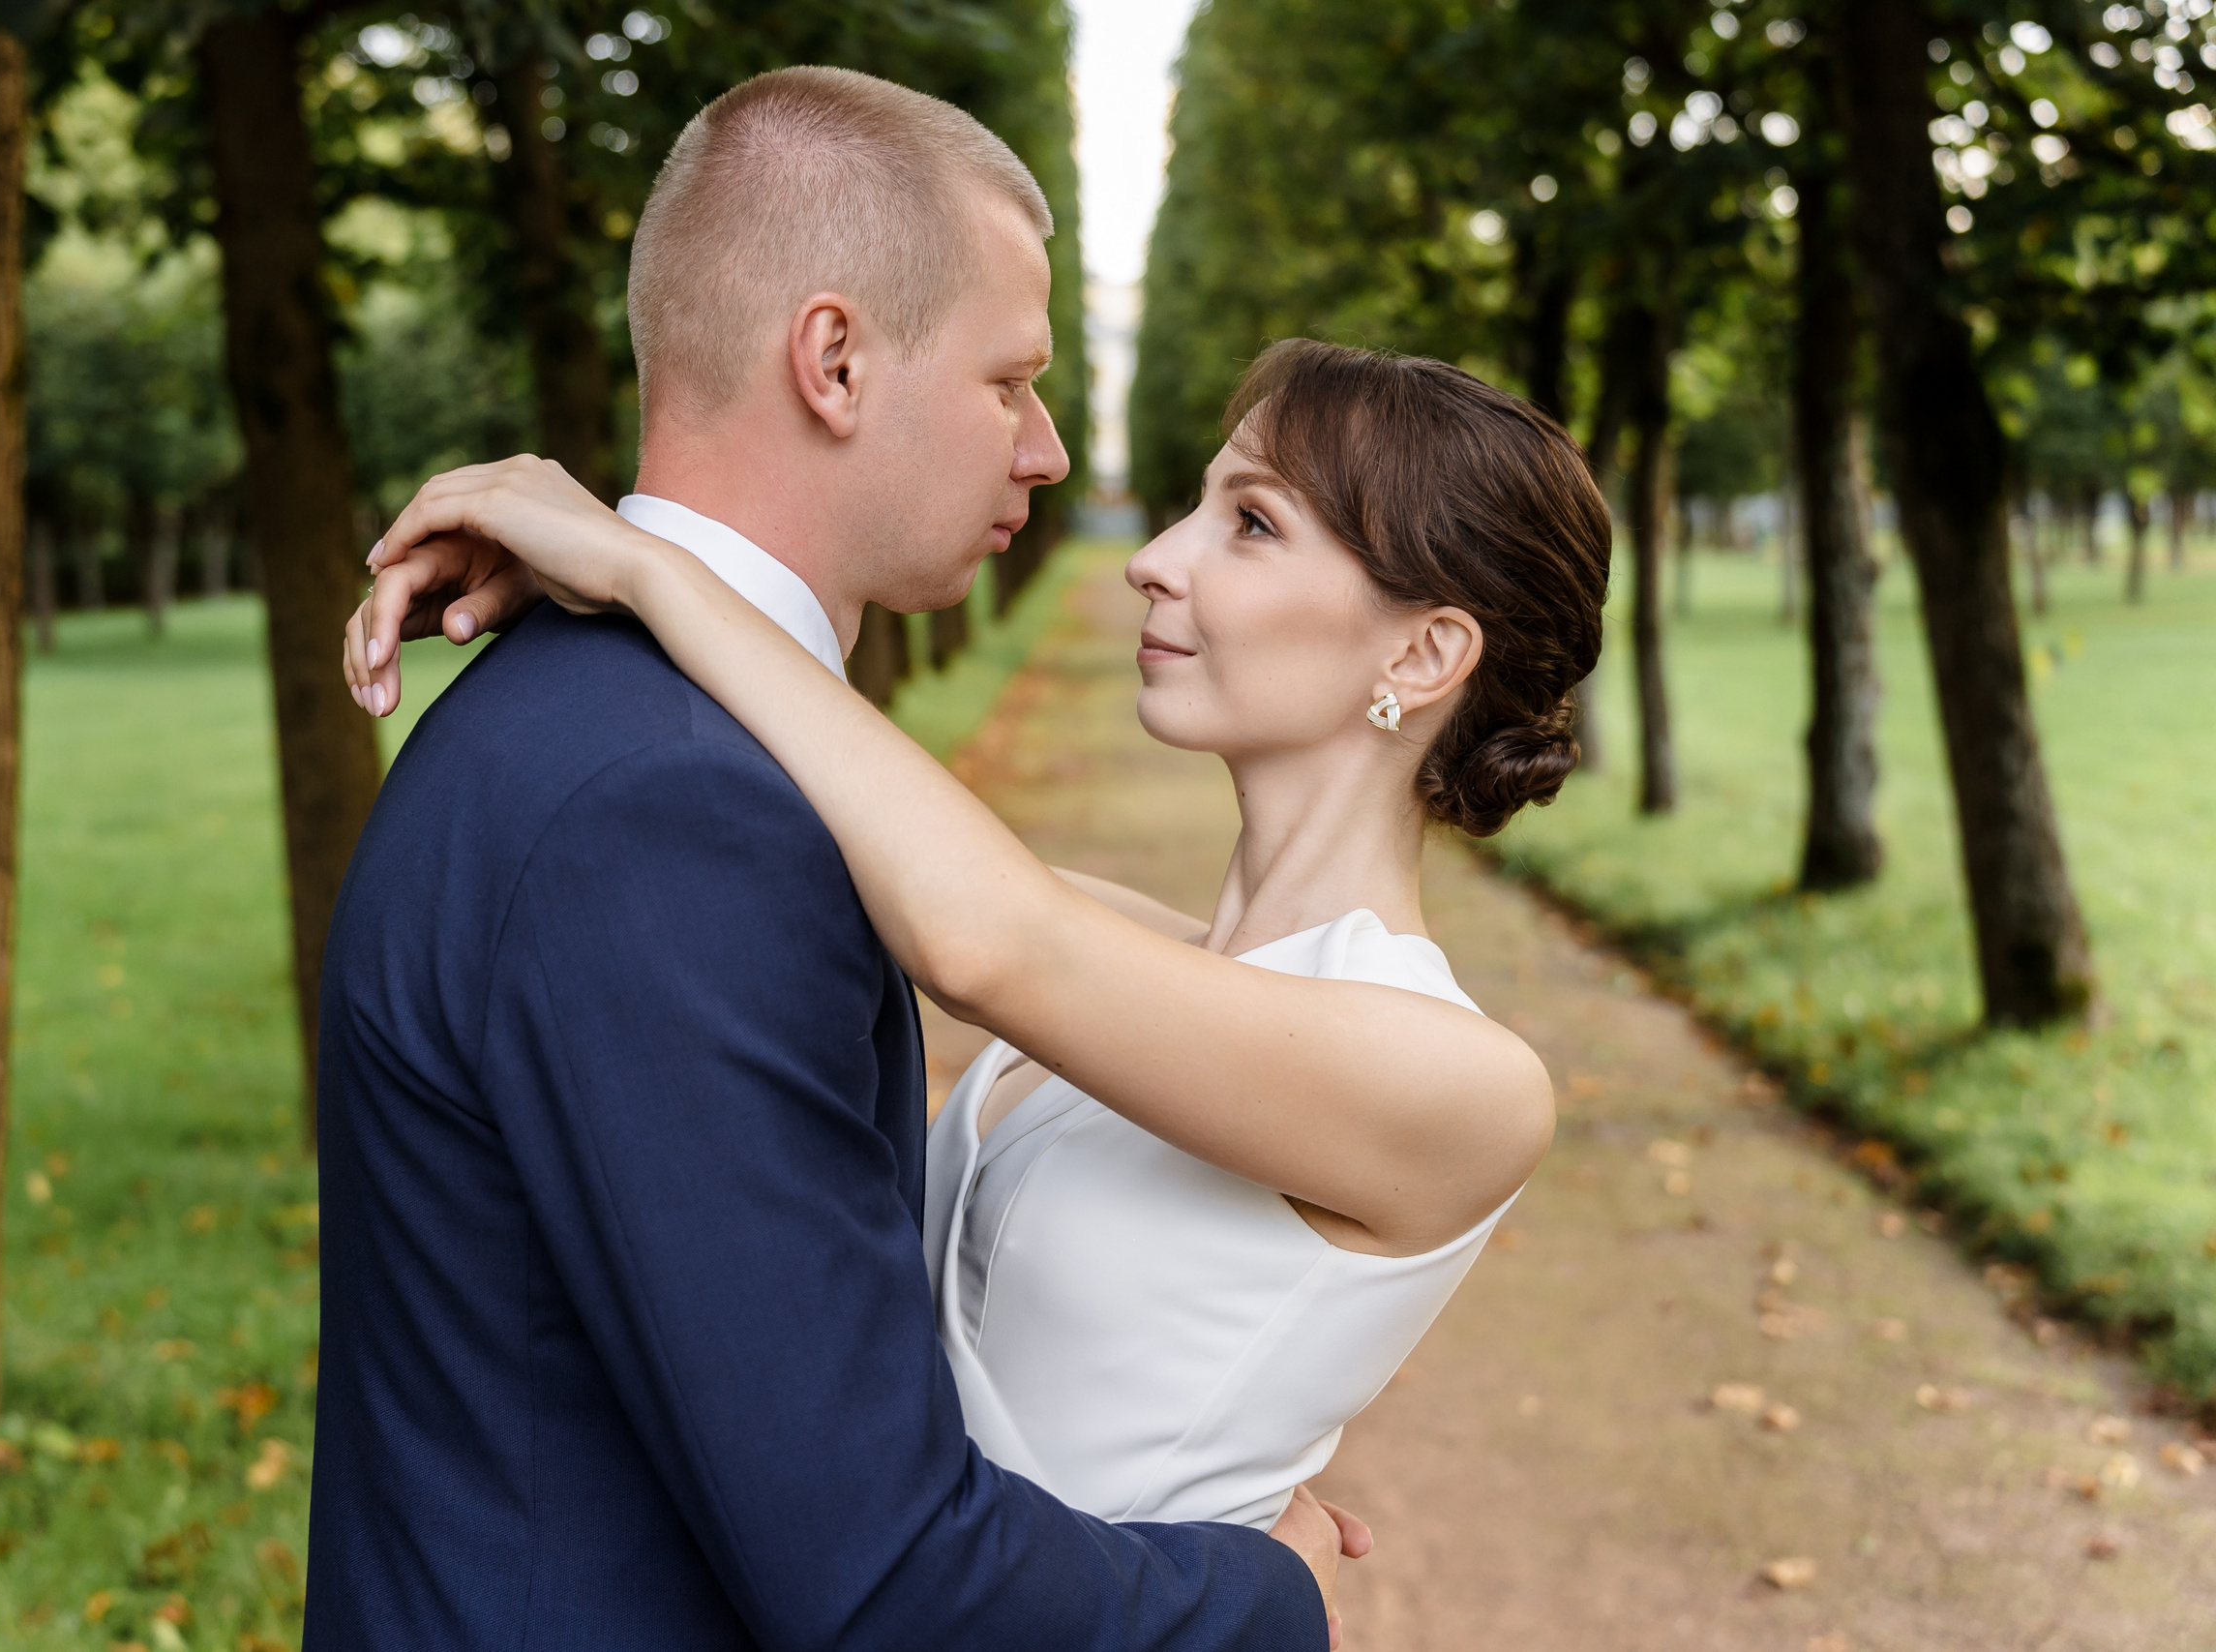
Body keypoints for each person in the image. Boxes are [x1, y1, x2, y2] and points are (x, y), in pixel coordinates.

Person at [306, 67, 1363, 1652]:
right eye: (1011, 381)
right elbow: (882, 1584)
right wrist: (1276, 1596)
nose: (1053, 451)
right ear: (836, 360)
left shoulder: (626, 727)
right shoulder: (667, 809)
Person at [347, 338, 1611, 1574]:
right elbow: (812, 815)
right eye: (1198, 508)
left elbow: (979, 937)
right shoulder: (1141, 948)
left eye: (1254, 524)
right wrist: (593, 612)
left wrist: (645, 569)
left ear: (1423, 653)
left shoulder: (1466, 1085)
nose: (1157, 562)